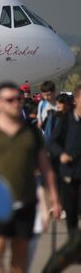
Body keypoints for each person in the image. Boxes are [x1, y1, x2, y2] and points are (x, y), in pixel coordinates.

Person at [0, 82, 61, 273]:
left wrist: (55, 200)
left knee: (20, 256)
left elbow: (45, 167)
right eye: (10, 100)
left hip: (25, 201)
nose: (16, 103)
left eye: (18, 99)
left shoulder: (31, 132)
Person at [50, 85, 81, 235]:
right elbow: (53, 141)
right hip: (69, 173)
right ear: (76, 99)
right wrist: (61, 154)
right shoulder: (66, 119)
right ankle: (74, 246)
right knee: (72, 215)